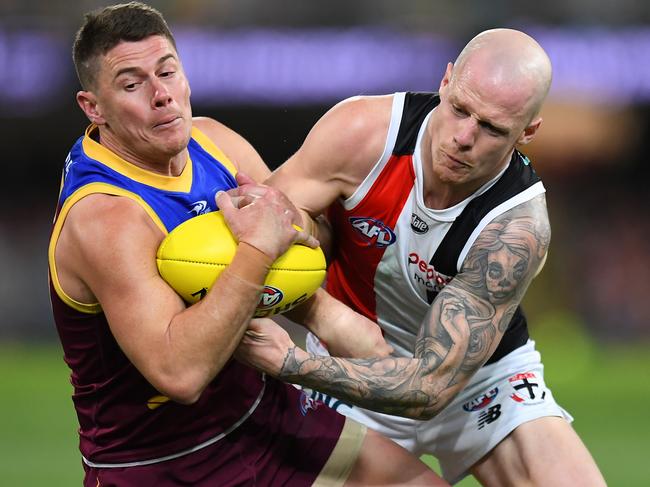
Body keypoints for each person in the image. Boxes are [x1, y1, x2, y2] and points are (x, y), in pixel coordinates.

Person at [47, 3, 447, 486]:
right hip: (163, 463)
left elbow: (314, 241)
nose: (161, 96)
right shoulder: (106, 218)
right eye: (132, 85)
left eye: (168, 72)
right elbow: (181, 373)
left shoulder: (213, 142)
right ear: (94, 107)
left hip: (265, 413)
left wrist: (295, 242)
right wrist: (257, 246)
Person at [235, 29, 607, 486]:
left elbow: (429, 389)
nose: (463, 138)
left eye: (491, 128)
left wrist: (288, 363)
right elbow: (263, 232)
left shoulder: (517, 229)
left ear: (528, 132)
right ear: (446, 81)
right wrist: (322, 309)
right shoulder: (361, 134)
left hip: (476, 379)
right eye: (459, 110)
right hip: (347, 371)